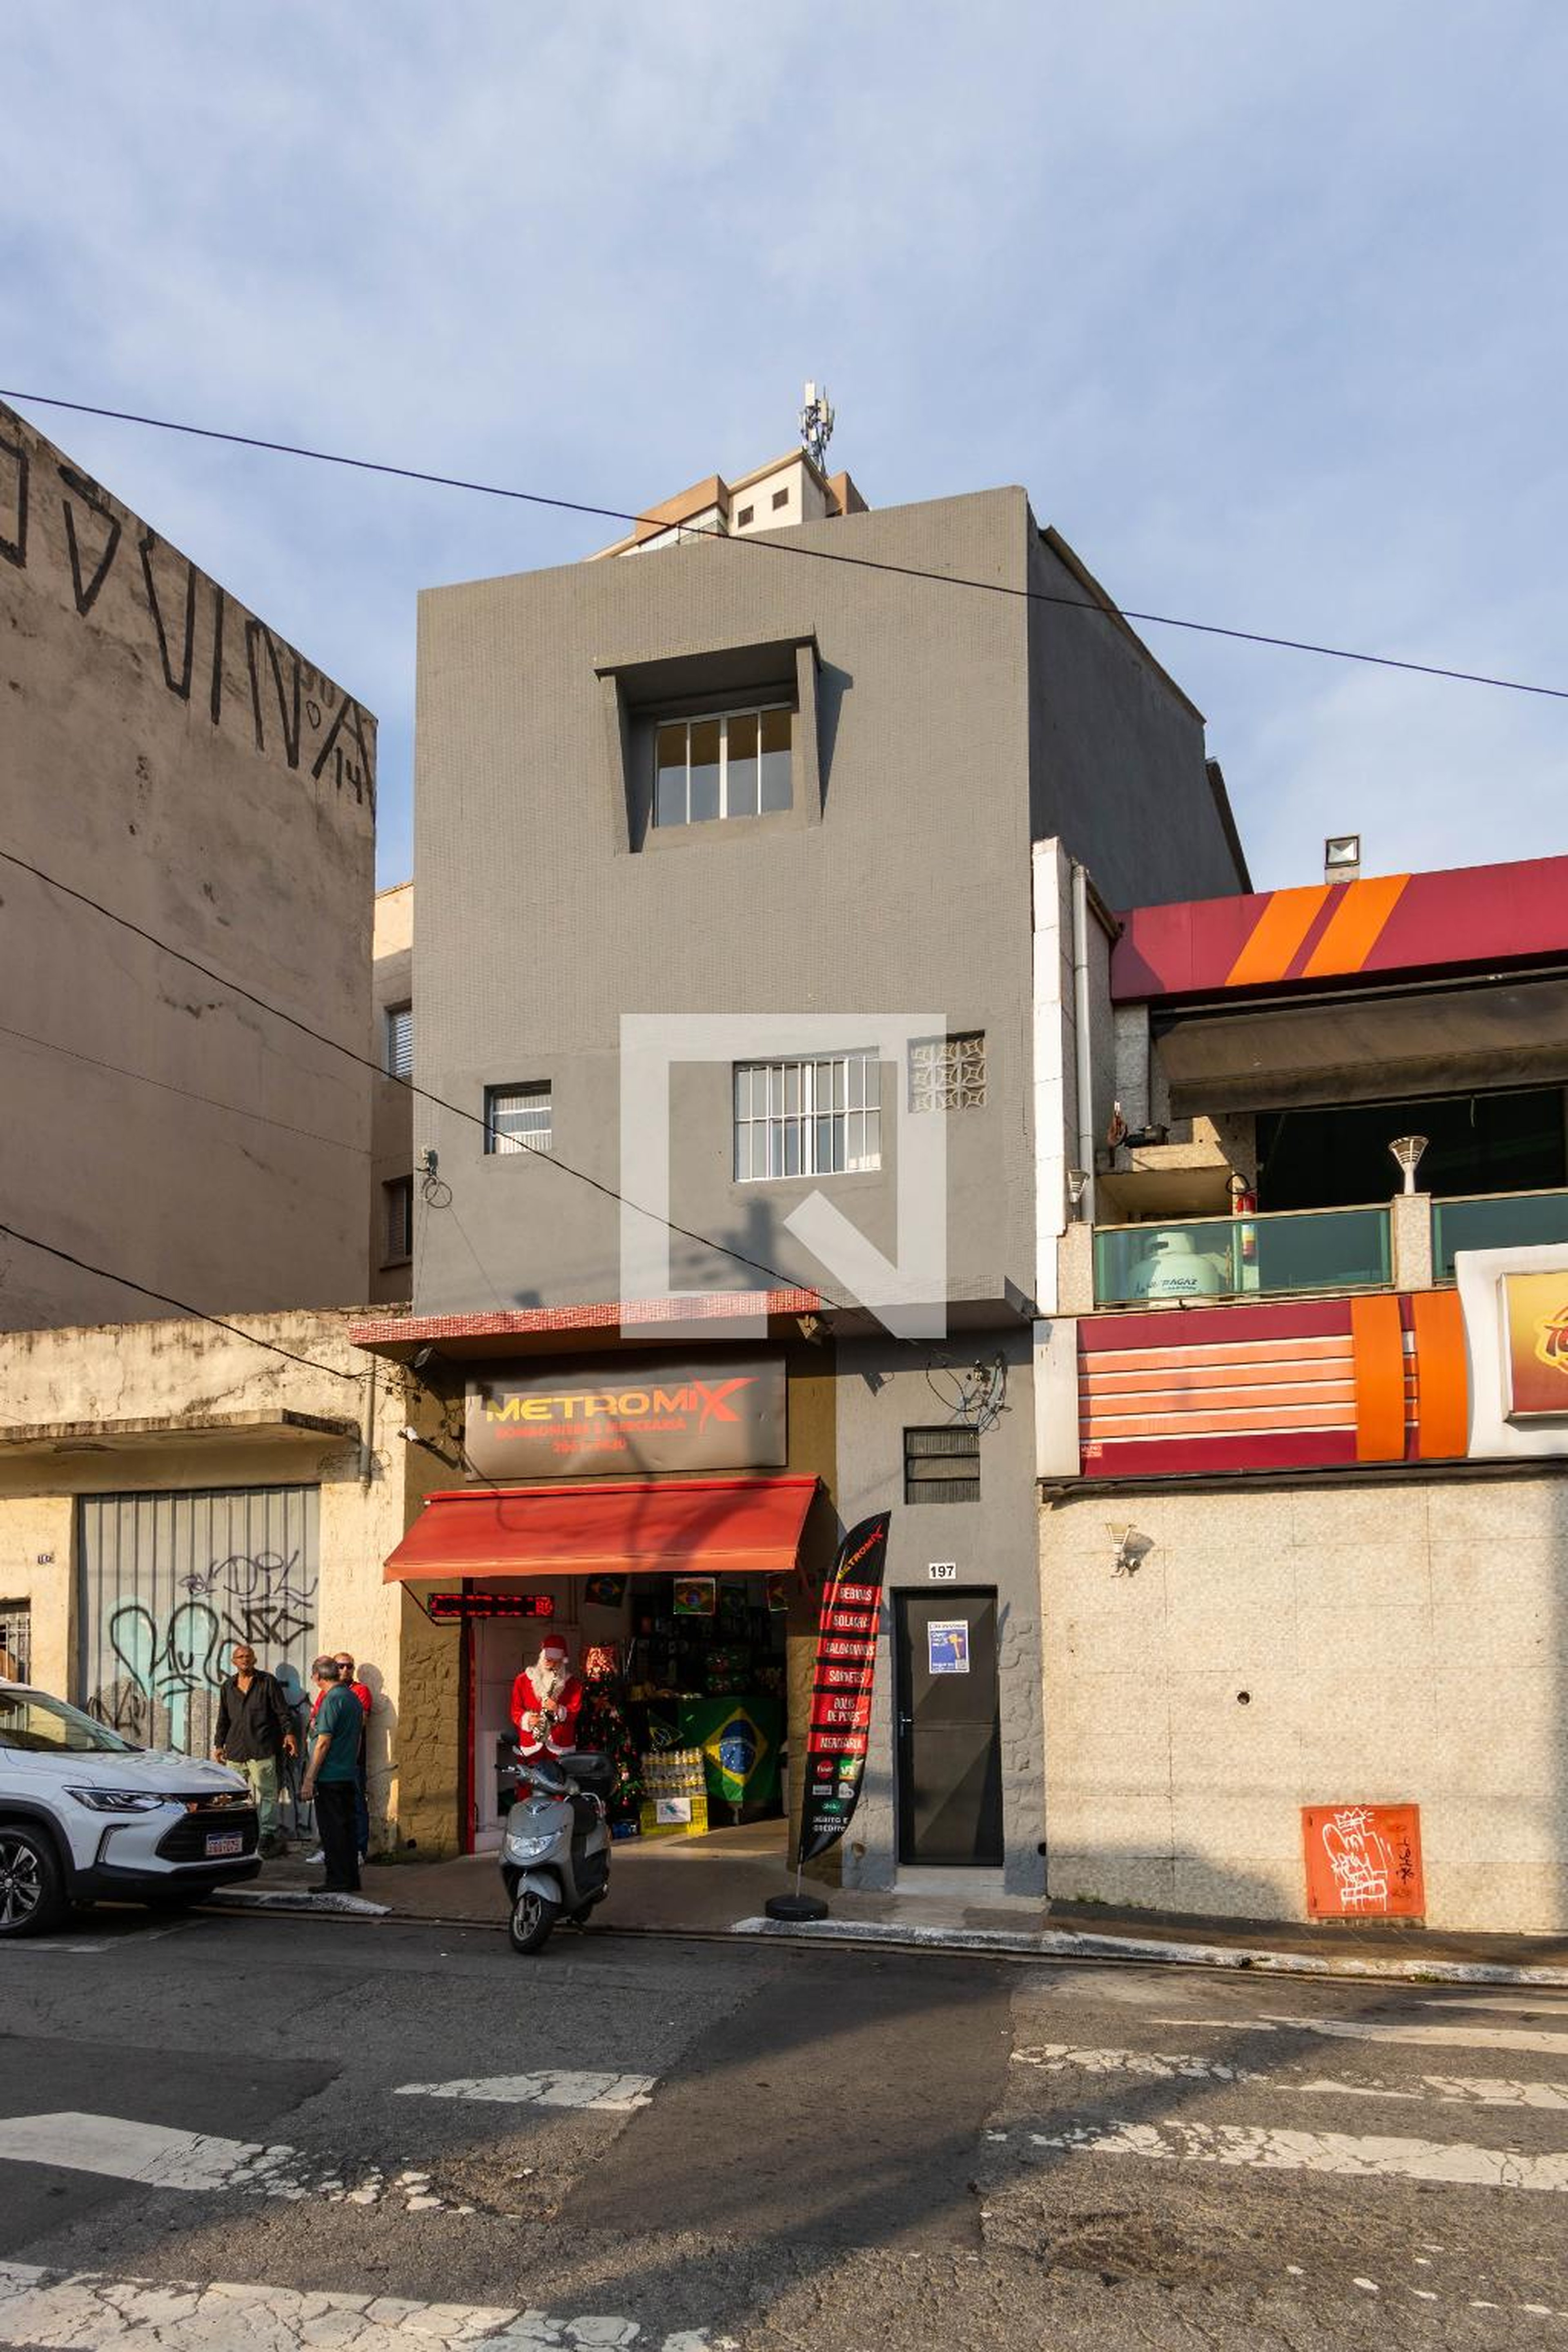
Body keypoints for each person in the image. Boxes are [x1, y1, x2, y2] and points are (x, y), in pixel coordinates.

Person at [212, 1642, 297, 1859]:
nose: (245, 1660)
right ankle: (236, 1833)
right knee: (233, 1796)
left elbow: (282, 1712)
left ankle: (267, 1834)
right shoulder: (227, 1687)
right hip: (236, 1751)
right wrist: (219, 1745)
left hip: (262, 1747)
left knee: (268, 1794)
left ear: (255, 1660)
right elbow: (223, 1719)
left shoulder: (267, 1682)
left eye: (248, 1656)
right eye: (240, 1657)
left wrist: (289, 1733)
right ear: (234, 1662)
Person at [299, 1655, 363, 1893]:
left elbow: (323, 1742)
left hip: (330, 1777)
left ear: (317, 1677)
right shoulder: (352, 1698)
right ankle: (350, 1878)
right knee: (347, 1830)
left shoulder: (332, 1700)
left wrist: (309, 1779)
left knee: (333, 1832)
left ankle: (337, 1880)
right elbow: (358, 1739)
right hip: (347, 1774)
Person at [510, 1634, 582, 1762]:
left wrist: (558, 1709)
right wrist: (527, 1719)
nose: (552, 1665)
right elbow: (516, 1710)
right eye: (548, 1660)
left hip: (560, 1746)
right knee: (528, 1782)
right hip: (531, 1744)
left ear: (563, 1661)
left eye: (557, 1662)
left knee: (560, 1782)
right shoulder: (522, 1680)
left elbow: (575, 1711)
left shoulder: (573, 1684)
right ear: (542, 1658)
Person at [333, 1650, 373, 1863]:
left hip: (352, 1758)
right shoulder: (327, 1692)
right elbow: (315, 1723)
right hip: (330, 1760)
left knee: (357, 1804)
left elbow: (360, 1723)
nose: (346, 1670)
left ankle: (359, 1850)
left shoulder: (361, 1691)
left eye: (349, 1666)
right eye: (341, 1666)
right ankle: (332, 1849)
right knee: (333, 1807)